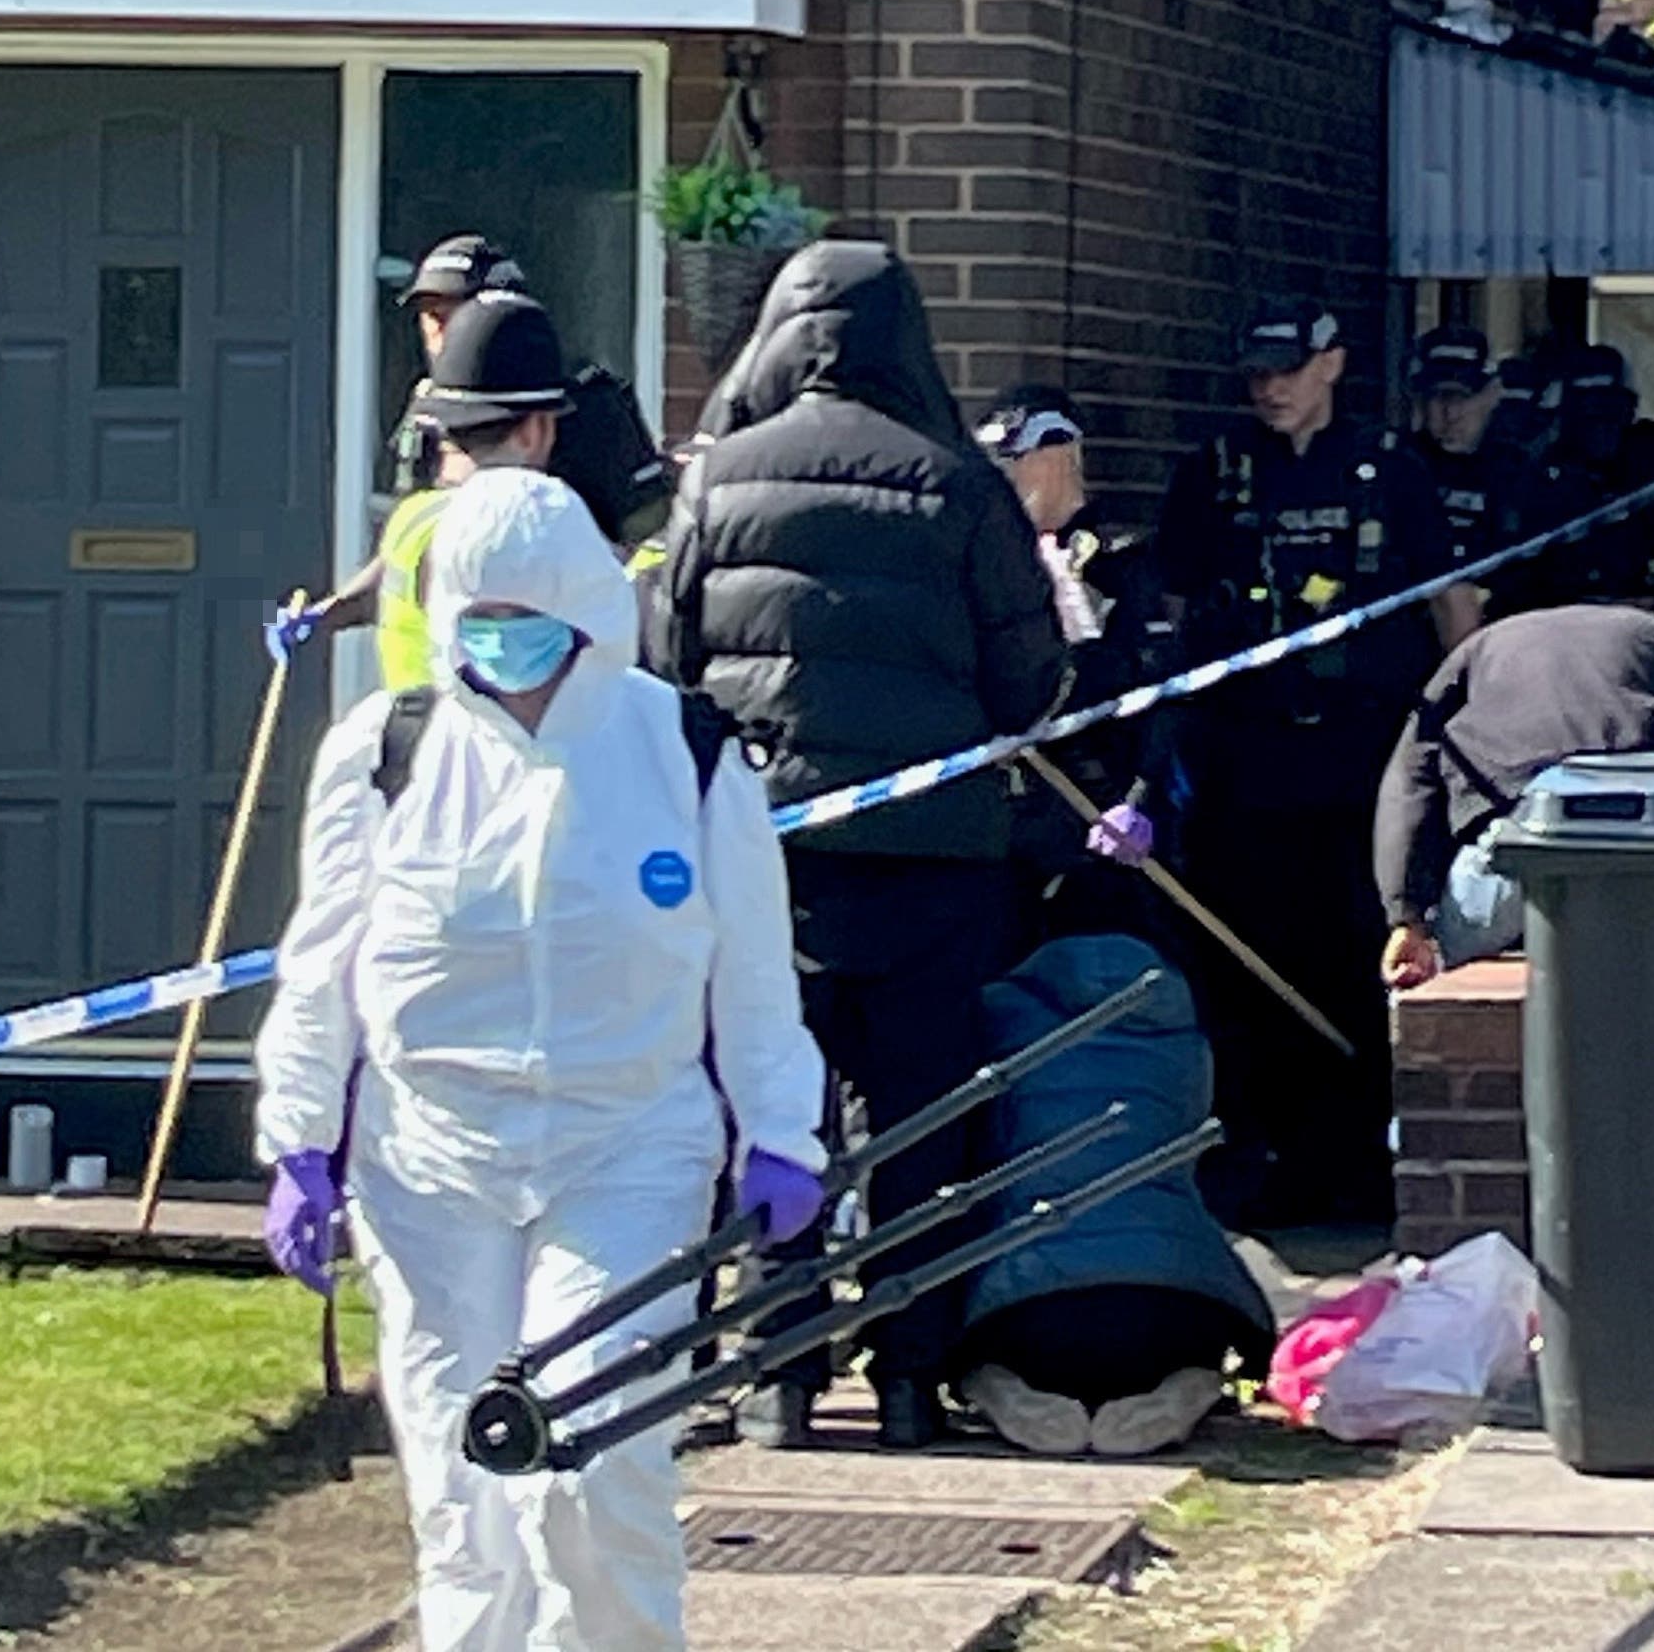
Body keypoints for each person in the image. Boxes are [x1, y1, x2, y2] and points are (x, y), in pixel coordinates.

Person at [254, 465, 829, 1651]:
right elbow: (322, 957)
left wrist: (783, 1133)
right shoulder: (385, 752)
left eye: (535, 621)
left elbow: (756, 965)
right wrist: (300, 1137)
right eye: (484, 618)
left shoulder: (685, 748)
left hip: (627, 1143)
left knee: (592, 1454)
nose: (507, 645)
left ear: (589, 612)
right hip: (430, 1162)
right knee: (464, 1490)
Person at [651, 241, 1066, 1450]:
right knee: (923, 1121)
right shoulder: (959, 483)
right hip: (936, 860)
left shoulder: (718, 479)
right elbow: (1029, 677)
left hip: (765, 858)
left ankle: (778, 1367)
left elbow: (669, 660)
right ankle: (906, 1373)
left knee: (771, 1115)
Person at [1151, 295, 1461, 1233]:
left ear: (1332, 363)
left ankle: (1359, 1156)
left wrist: (1459, 732)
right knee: (1247, 965)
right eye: (1257, 372)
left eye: (1288, 368)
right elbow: (1166, 609)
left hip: (1361, 761)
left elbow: (1451, 609)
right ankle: (1264, 1154)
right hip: (1245, 764)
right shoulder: (1214, 475)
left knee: (1357, 956)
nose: (1271, 388)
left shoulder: (1392, 472)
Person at [271, 235, 671, 671]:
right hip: (426, 704)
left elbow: (651, 550)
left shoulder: (587, 406)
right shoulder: (426, 406)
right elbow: (408, 552)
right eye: (429, 317)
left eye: (451, 313)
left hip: (561, 682)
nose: (439, 331)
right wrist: (333, 612)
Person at [957, 935, 1277, 1457]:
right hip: (1174, 1301)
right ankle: (1187, 1386)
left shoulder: (1000, 1022)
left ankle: (998, 1388)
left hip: (1025, 1308)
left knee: (976, 1339)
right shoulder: (1181, 1035)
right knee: (1193, 1333)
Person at [1375, 603, 1654, 988]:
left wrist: (1406, 919)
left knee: (1445, 999)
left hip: (1521, 832)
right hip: (1636, 831)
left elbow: (1409, 781)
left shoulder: (1480, 647)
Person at [974, 384, 1182, 955]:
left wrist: (1137, 800)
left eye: (1012, 463)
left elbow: (1160, 691)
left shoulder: (1119, 558)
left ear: (1059, 455)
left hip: (1099, 802)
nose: (1003, 480)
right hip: (1011, 811)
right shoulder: (989, 558)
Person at [1485, 345, 1654, 725]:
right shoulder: (1537, 475)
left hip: (1649, 651)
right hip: (1561, 655)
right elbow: (1511, 593)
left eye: (1609, 411)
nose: (1599, 427)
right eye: (1587, 413)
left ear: (1630, 407)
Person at [1406, 325, 1548, 589]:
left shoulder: (1516, 474)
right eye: (1438, 397)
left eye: (1463, 397)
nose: (1451, 413)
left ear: (1493, 395)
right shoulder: (1401, 469)